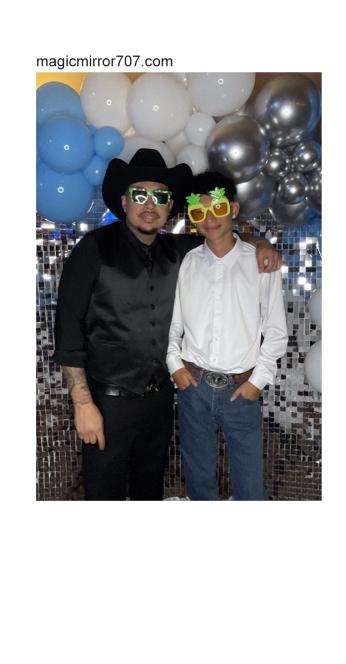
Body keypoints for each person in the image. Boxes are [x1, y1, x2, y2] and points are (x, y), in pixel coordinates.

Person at [54, 149, 281, 500]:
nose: (150, 205)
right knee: (103, 495)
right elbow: (68, 329)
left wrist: (262, 242)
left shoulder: (180, 250)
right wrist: (82, 403)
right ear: (124, 201)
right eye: (139, 195)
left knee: (150, 491)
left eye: (159, 197)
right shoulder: (93, 248)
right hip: (108, 403)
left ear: (170, 205)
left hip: (161, 401)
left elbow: (223, 236)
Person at [166, 173, 288, 501]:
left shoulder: (260, 262)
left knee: (250, 485)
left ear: (233, 208)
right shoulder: (189, 262)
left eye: (217, 208)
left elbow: (276, 330)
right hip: (194, 386)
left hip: (241, 388)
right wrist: (175, 365)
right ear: (192, 217)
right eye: (200, 212)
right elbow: (174, 323)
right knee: (199, 480)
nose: (210, 218)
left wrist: (257, 382)